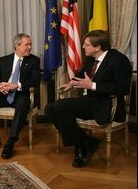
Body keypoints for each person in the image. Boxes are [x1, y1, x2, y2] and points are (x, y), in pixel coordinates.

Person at [45, 30, 132, 168]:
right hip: (89, 102)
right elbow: (80, 75)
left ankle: (83, 145)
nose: (83, 47)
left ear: (98, 47)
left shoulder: (119, 60)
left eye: (86, 44)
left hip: (106, 105)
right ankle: (83, 143)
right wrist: (71, 84)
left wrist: (93, 85)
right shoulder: (92, 60)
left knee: (59, 107)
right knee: (50, 109)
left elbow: (122, 88)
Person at [0, 33, 41, 159]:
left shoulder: (34, 61)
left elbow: (35, 81)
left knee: (24, 103)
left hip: (20, 95)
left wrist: (16, 85)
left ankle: (11, 141)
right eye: (27, 45)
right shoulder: (4, 60)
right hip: (3, 95)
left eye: (30, 44)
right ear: (17, 46)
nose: (30, 47)